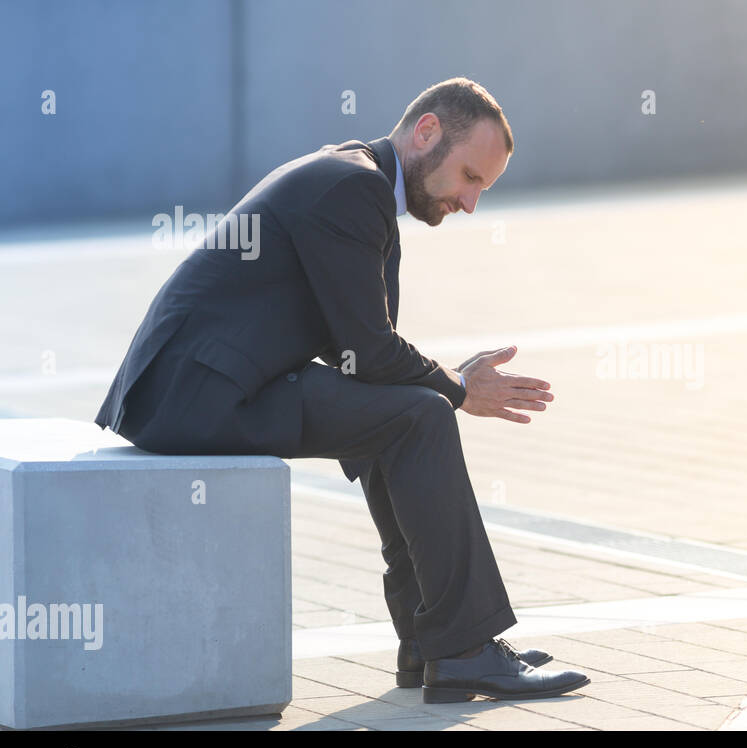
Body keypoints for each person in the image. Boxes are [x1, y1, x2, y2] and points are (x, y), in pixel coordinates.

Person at [93, 77, 588, 703]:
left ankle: (432, 638)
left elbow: (364, 355)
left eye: (482, 189)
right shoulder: (354, 186)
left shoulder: (357, 177)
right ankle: (462, 648)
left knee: (407, 416)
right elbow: (373, 354)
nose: (470, 203)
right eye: (469, 178)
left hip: (207, 386)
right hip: (197, 395)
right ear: (427, 131)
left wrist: (442, 386)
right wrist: (460, 388)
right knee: (420, 417)